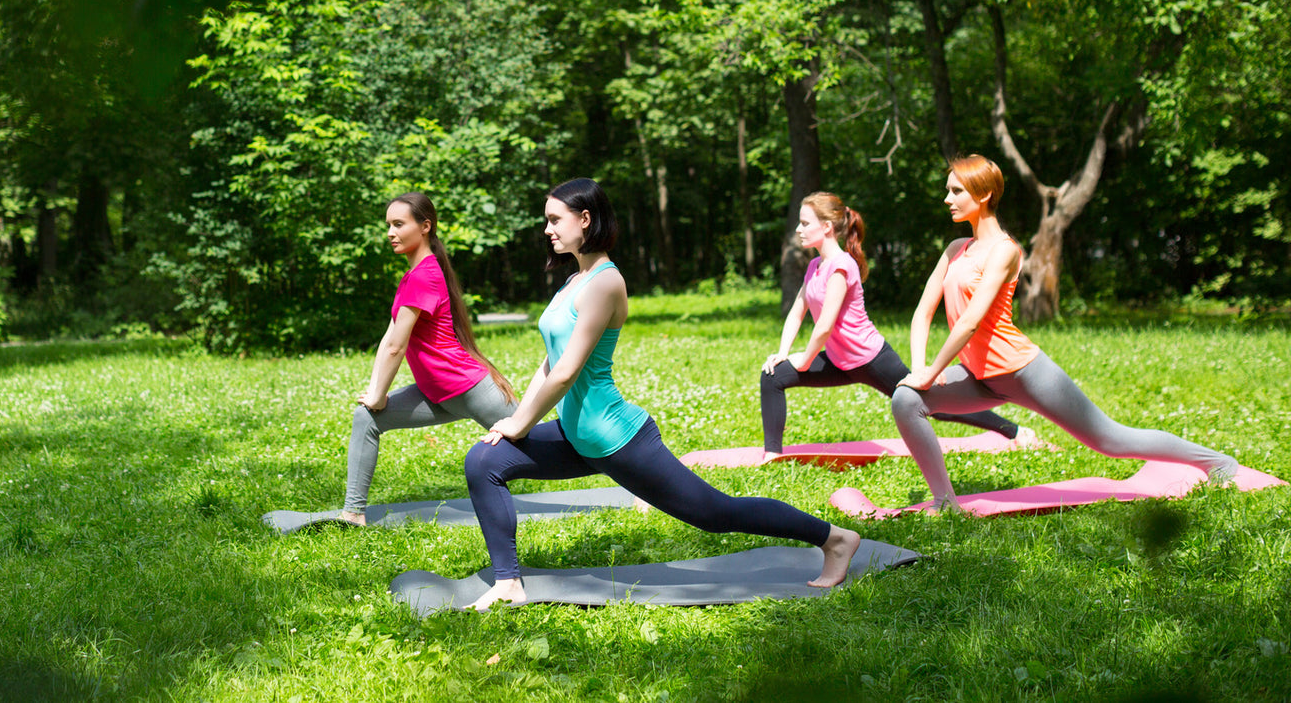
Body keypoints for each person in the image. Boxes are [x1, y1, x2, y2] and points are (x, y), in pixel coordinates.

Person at [464, 178, 860, 609]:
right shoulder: (573, 279)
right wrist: (517, 422)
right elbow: (549, 362)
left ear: (585, 219)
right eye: (547, 220)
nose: (547, 229)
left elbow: (565, 372)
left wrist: (520, 423)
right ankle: (508, 583)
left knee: (716, 514)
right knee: (485, 460)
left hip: (617, 440)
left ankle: (834, 538)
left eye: (555, 219)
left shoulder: (605, 282)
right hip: (579, 436)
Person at [891, 155, 1237, 510]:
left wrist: (933, 371)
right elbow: (922, 312)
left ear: (983, 194)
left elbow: (969, 322)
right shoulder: (955, 250)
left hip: (1022, 371)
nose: (947, 198)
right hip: (978, 375)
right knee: (906, 400)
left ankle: (1217, 462)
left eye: (955, 190)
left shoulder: (1004, 250)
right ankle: (945, 502)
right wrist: (919, 368)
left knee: (1111, 440)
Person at [758, 192, 1028, 462]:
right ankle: (772, 453)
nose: (798, 229)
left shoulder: (841, 266)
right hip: (838, 361)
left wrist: (804, 360)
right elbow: (796, 312)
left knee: (933, 403)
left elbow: (825, 326)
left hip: (871, 359)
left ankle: (1013, 430)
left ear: (826, 227)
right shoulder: (815, 266)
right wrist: (783, 353)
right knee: (773, 375)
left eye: (805, 223)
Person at [340, 192, 518, 526]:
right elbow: (390, 339)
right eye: (388, 225)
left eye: (398, 224)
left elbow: (397, 346)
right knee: (367, 418)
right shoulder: (415, 275)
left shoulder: (423, 276)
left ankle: (638, 481)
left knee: (539, 446)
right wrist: (375, 392)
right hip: (436, 393)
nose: (390, 232)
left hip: (468, 390)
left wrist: (380, 394)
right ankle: (353, 513)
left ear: (425, 226)